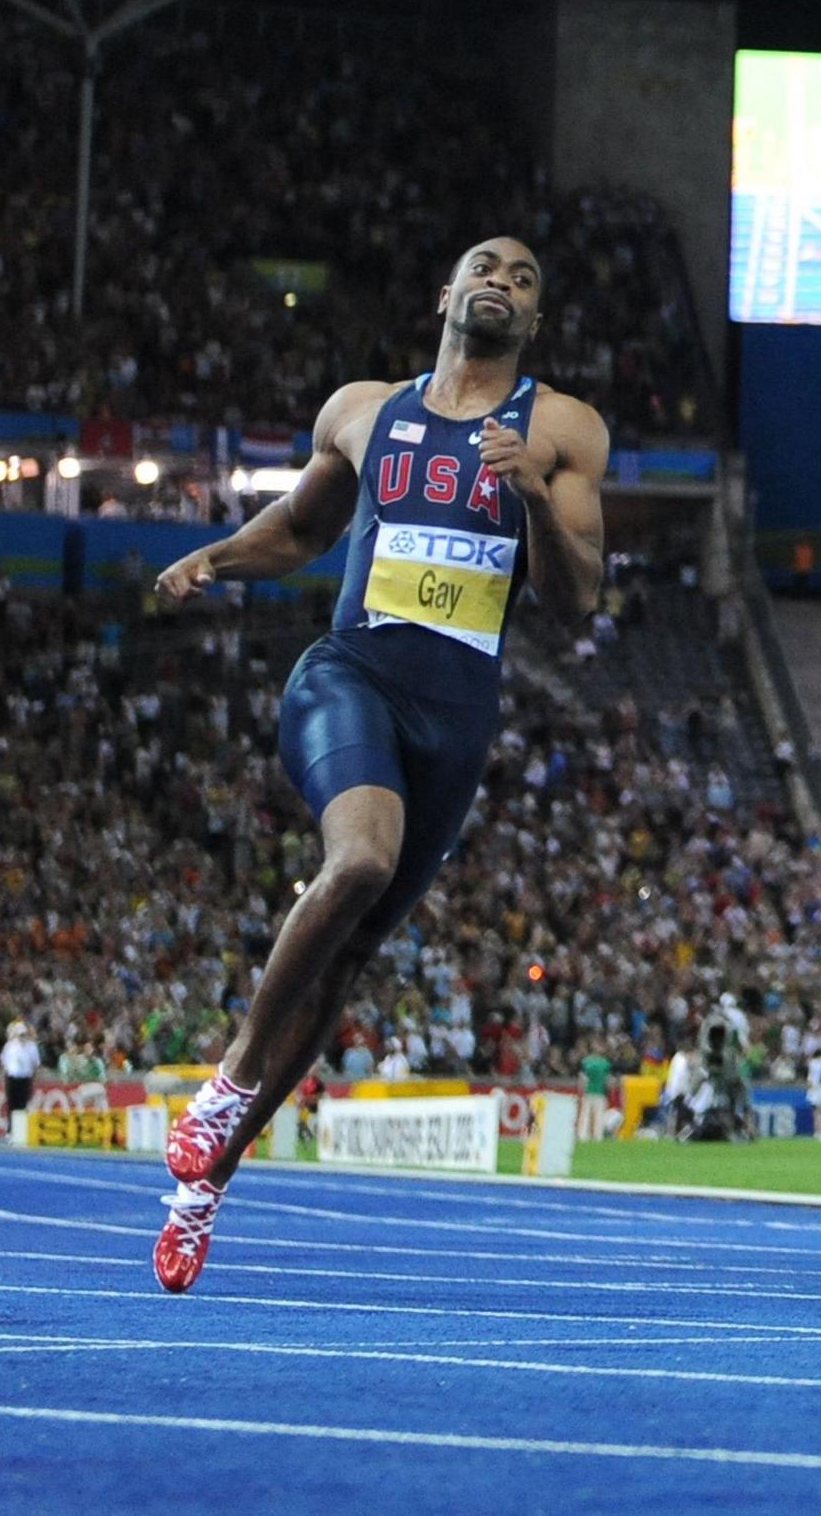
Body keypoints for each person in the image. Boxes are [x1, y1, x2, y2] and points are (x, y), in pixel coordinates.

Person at [143, 237, 608, 1293]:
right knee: (356, 863)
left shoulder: (565, 430)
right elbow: (303, 528)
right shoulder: (362, 409)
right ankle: (225, 1086)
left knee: (346, 964)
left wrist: (532, 492)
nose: (503, 281)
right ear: (447, 292)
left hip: (457, 719)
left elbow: (579, 598)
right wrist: (216, 556)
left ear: (532, 325)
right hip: (348, 674)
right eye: (485, 267)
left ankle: (204, 1184)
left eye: (527, 278)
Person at [0, 1019, 35, 1134]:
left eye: (23, 1034)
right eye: (20, 1034)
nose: (21, 1037)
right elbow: (3, 1063)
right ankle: (10, 1130)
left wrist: (32, 1080)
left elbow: (35, 1064)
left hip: (25, 1079)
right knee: (11, 1104)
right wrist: (4, 1080)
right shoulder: (9, 1046)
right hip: (12, 1078)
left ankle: (20, 1131)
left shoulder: (31, 1047)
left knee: (22, 1104)